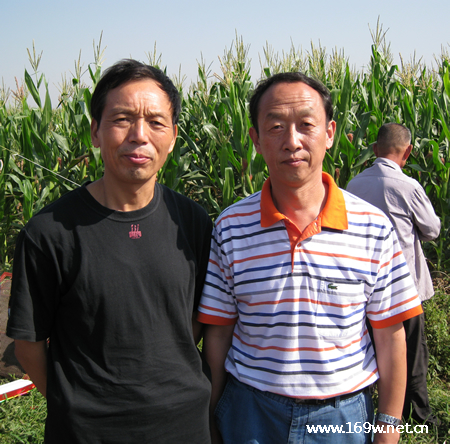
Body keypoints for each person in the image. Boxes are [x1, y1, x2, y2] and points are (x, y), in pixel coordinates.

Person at [198, 72, 423, 444]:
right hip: (249, 411)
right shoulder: (231, 227)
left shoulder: (373, 227)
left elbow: (390, 335)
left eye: (306, 125)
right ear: (255, 139)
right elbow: (219, 333)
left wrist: (388, 428)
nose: (292, 141)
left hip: (342, 417)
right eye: (275, 127)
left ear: (330, 133)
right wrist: (209, 417)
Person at [7, 59, 212, 443]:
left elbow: (197, 320)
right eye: (122, 119)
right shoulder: (49, 232)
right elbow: (28, 346)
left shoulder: (192, 222)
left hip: (183, 425)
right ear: (95, 131)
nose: (139, 135)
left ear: (173, 136)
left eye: (156, 122)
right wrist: (75, 405)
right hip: (85, 432)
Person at [347, 123, 440, 425]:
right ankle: (418, 417)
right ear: (407, 151)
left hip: (364, 286)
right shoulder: (408, 186)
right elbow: (432, 230)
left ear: (375, 149)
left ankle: (370, 411)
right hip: (404, 288)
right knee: (411, 354)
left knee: (370, 351)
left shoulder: (353, 185)